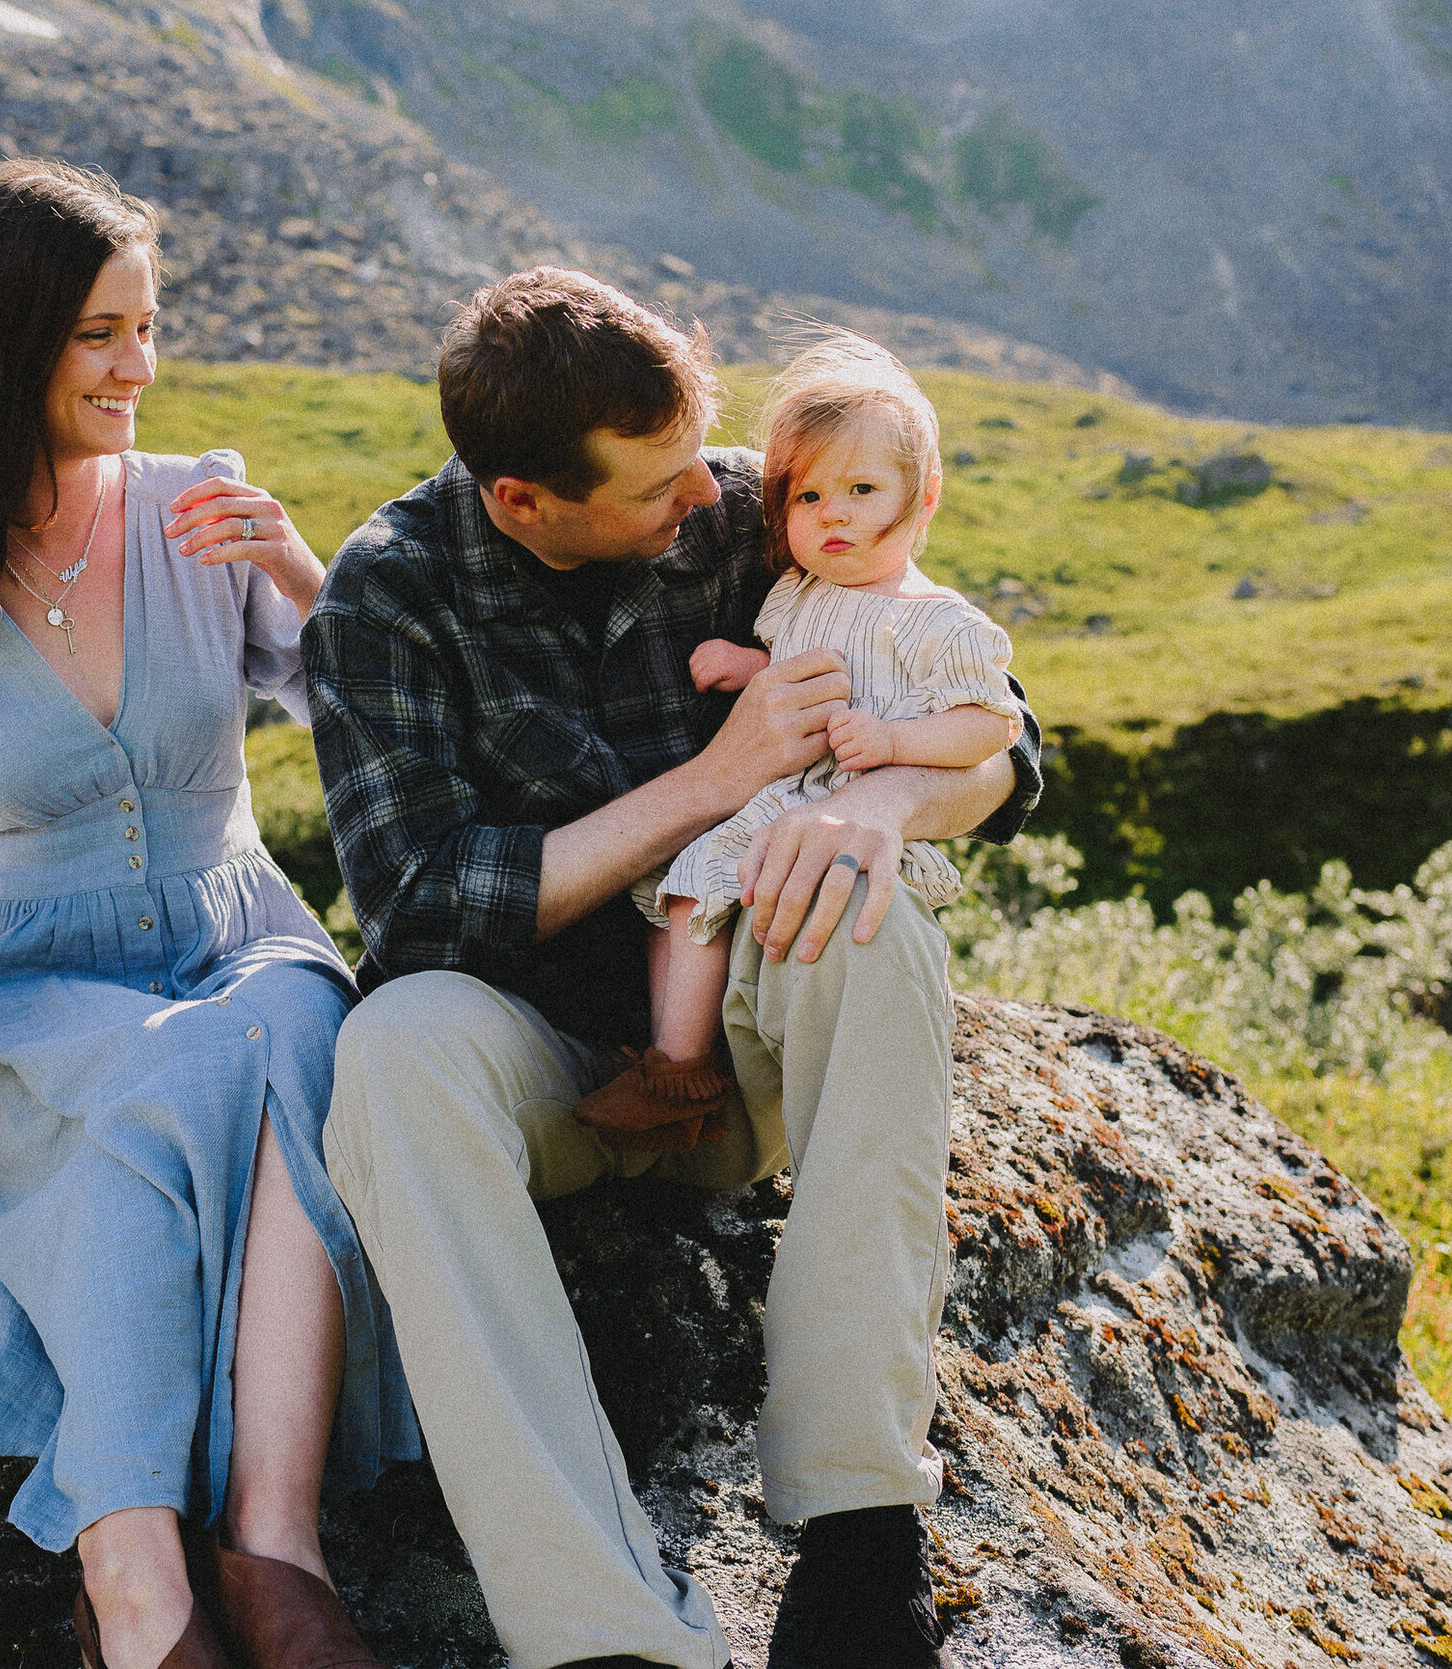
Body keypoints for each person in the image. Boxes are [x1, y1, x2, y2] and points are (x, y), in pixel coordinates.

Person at [304, 267, 1042, 1669]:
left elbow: (1006, 739)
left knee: (861, 907)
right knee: (391, 1050)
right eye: (656, 490)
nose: (707, 504)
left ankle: (858, 1535)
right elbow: (416, 908)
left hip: (750, 1052)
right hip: (555, 1070)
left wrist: (877, 805)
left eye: (702, 460)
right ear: (525, 500)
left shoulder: (749, 512)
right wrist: (717, 779)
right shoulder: (389, 593)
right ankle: (605, 1633)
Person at [0, 159, 415, 1669]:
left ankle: (275, 1546)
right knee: (182, 1078)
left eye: (147, 326)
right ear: (1, 348)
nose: (140, 366)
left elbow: (367, 723)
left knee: (283, 1031)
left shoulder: (207, 503)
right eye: (98, 336)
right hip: (22, 971)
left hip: (235, 916)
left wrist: (303, 575)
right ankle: (137, 1573)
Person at [575, 330, 1027, 1142]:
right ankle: (677, 1065)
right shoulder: (798, 592)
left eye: (861, 488)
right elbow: (798, 673)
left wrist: (893, 746)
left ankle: (695, 1078)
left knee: (784, 918)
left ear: (923, 498)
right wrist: (749, 665)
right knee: (684, 891)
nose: (835, 515)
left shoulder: (941, 623)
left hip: (845, 815)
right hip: (775, 801)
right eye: (809, 498)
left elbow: (989, 725)